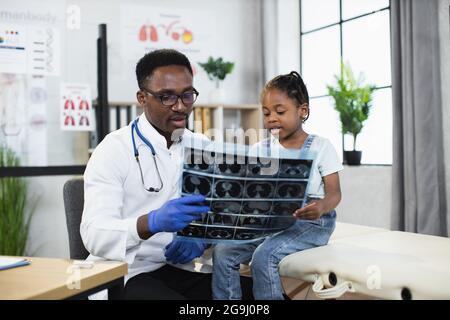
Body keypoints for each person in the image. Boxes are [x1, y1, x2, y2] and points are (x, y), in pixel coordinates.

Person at [80, 49, 252, 299]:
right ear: (142, 97)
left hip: (181, 268)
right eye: (167, 97)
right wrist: (148, 223)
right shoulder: (113, 149)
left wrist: (203, 239)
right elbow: (94, 234)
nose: (181, 106)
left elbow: (222, 213)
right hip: (128, 272)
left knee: (263, 295)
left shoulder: (202, 147)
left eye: (187, 95)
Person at [211, 71, 343, 300]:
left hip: (311, 223)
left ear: (303, 111)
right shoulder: (260, 150)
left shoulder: (321, 147)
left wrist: (320, 207)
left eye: (280, 111)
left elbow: (335, 194)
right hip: (270, 221)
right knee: (223, 252)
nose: (271, 117)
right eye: (266, 113)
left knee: (264, 256)